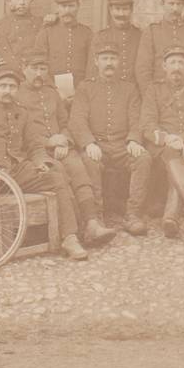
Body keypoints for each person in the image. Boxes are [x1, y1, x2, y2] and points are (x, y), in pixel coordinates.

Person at [0, 68, 89, 261]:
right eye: (3, 86)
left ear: (17, 89)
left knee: (55, 176)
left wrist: (41, 161)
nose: (7, 91)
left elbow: (34, 146)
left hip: (18, 171)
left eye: (12, 87)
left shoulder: (23, 113)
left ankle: (69, 237)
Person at [15, 49, 116, 247]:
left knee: (78, 167)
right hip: (37, 152)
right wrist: (48, 142)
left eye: (43, 69)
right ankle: (72, 232)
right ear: (23, 69)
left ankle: (92, 223)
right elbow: (19, 133)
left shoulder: (52, 93)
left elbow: (65, 122)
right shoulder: (17, 95)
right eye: (34, 69)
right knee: (60, 173)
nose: (38, 74)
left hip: (61, 145)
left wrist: (64, 139)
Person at [70, 43, 152, 236]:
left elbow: (136, 118)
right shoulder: (85, 87)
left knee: (144, 158)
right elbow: (77, 119)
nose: (109, 63)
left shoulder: (129, 88)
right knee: (89, 161)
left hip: (122, 144)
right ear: (96, 62)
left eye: (113, 59)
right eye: (105, 59)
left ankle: (133, 215)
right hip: (97, 145)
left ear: (119, 62)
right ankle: (96, 218)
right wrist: (89, 142)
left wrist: (133, 140)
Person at [140, 44, 184, 237]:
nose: (177, 67)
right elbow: (147, 123)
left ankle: (171, 217)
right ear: (164, 66)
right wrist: (167, 139)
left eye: (181, 63)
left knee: (176, 159)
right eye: (172, 62)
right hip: (162, 146)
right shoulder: (154, 90)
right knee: (173, 155)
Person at [34, 0, 92, 85]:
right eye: (63, 6)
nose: (67, 10)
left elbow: (91, 65)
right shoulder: (46, 32)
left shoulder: (87, 33)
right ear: (57, 7)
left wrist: (84, 87)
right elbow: (39, 63)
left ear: (78, 6)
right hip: (52, 88)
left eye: (71, 6)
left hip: (80, 88)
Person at [86, 0, 140, 83]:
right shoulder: (100, 37)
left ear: (131, 10)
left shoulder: (140, 36)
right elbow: (92, 72)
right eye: (117, 9)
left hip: (134, 93)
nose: (121, 14)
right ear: (111, 10)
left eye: (125, 9)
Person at [0, 0, 43, 73]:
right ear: (10, 1)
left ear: (31, 1)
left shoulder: (41, 25)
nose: (22, 2)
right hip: (9, 78)